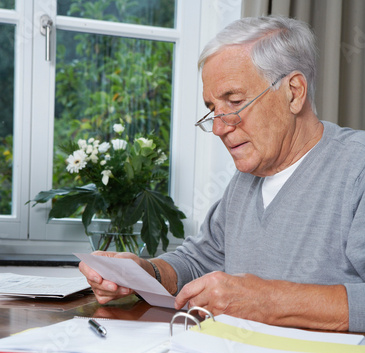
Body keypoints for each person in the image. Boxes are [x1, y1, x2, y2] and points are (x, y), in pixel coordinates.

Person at [79, 15, 365, 333]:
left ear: (294, 92)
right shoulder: (246, 180)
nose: (218, 127)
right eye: (213, 109)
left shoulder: (358, 168)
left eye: (235, 101)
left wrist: (269, 303)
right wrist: (145, 272)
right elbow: (202, 259)